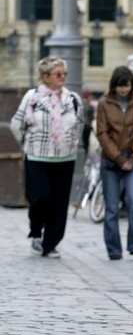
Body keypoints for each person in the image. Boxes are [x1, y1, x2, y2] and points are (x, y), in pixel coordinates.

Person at [10, 56, 83, 258]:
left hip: (65, 158)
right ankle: (36, 230)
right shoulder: (32, 97)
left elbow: (80, 124)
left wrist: (71, 143)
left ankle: (50, 244)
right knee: (41, 196)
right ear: (45, 77)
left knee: (60, 203)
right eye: (58, 74)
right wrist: (27, 145)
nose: (63, 77)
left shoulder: (73, 99)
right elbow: (17, 124)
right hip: (37, 157)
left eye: (65, 74)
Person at [96, 66, 133, 260]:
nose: (123, 90)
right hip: (110, 162)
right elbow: (102, 133)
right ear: (114, 86)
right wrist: (118, 158)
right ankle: (114, 249)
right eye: (120, 86)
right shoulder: (104, 103)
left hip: (132, 160)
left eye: (126, 86)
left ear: (131, 85)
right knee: (111, 207)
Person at [80, 88, 96, 156]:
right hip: (87, 126)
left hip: (81, 126)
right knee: (86, 142)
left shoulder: (80, 104)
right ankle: (85, 154)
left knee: (81, 141)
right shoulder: (90, 106)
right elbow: (92, 117)